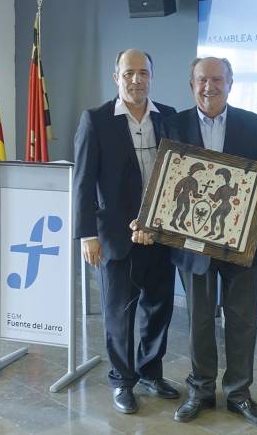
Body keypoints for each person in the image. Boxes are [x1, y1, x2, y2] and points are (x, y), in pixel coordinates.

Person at [133, 57, 257, 428]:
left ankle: (238, 394)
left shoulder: (254, 124)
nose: (209, 87)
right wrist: (149, 219)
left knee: (243, 320)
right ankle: (200, 391)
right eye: (202, 80)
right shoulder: (173, 125)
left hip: (240, 245)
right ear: (191, 84)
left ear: (230, 84)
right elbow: (163, 184)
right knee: (200, 320)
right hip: (190, 246)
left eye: (217, 79)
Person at [73, 48, 179, 414]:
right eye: (129, 73)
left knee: (158, 307)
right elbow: (82, 182)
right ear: (115, 77)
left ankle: (151, 371)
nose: (137, 80)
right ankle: (122, 381)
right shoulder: (96, 120)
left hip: (162, 234)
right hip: (116, 238)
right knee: (119, 313)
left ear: (152, 76)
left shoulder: (169, 117)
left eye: (143, 73)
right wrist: (86, 235)